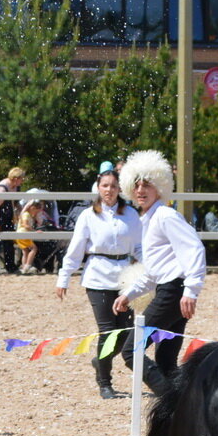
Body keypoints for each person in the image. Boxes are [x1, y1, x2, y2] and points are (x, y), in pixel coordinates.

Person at [113, 150, 207, 394]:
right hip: (170, 290)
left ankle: (170, 404)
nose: (140, 190)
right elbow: (154, 270)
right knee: (166, 361)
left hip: (173, 293)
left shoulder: (166, 216)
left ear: (160, 187)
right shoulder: (148, 219)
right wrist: (129, 294)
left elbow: (194, 248)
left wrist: (191, 290)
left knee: (131, 351)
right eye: (136, 184)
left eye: (147, 184)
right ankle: (179, 406)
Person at [56, 169, 143, 399]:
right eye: (105, 186)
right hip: (97, 278)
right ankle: (105, 381)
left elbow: (140, 247)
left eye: (113, 186)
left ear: (119, 189)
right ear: (98, 187)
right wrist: (64, 276)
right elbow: (75, 250)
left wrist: (151, 270)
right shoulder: (88, 216)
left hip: (125, 278)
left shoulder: (131, 215)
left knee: (124, 332)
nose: (109, 190)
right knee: (107, 332)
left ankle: (100, 361)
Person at [0, 166, 25, 274]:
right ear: (15, 178)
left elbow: (16, 202)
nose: (22, 181)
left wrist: (20, 213)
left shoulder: (16, 187)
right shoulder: (2, 188)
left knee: (9, 242)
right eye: (21, 179)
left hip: (7, 216)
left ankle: (10, 266)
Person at [15, 189, 50, 275]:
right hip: (23, 234)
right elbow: (25, 225)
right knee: (34, 249)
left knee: (25, 251)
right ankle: (28, 265)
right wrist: (34, 231)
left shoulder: (28, 214)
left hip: (19, 235)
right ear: (32, 208)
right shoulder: (26, 214)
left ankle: (24, 268)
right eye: (36, 211)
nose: (36, 213)